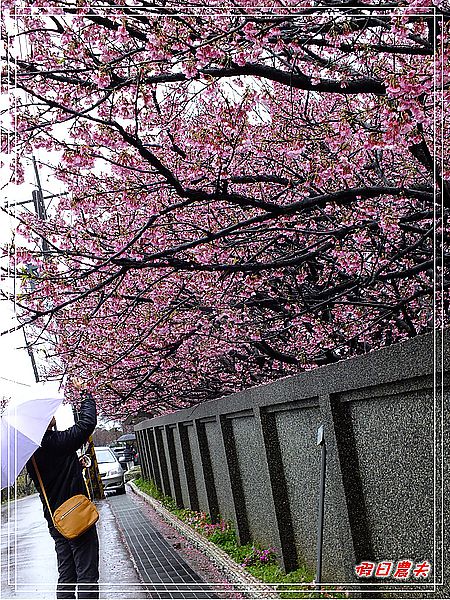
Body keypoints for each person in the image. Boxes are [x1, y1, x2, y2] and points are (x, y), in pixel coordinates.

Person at [26, 377, 99, 600]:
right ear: (43, 422)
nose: (53, 415)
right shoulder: (55, 442)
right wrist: (85, 393)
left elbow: (54, 474)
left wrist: (72, 466)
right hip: (74, 514)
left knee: (66, 575)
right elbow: (86, 424)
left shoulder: (32, 455)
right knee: (87, 575)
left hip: (55, 520)